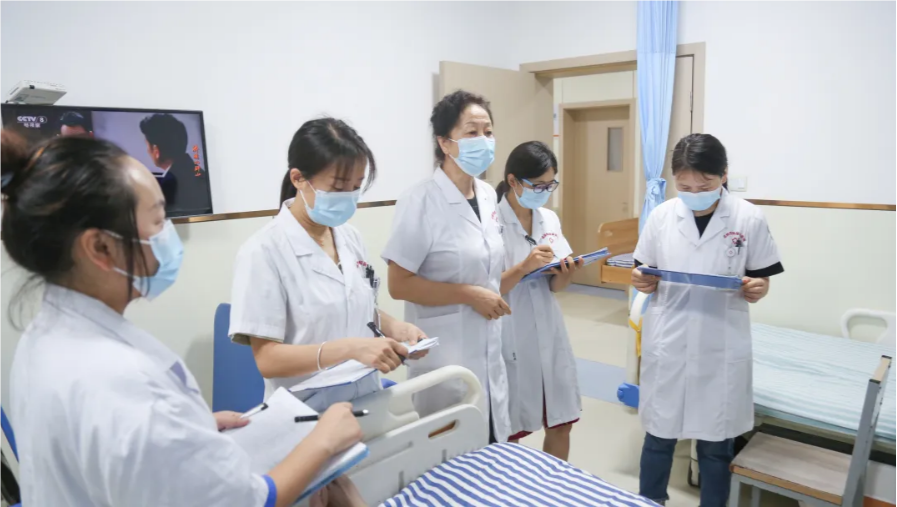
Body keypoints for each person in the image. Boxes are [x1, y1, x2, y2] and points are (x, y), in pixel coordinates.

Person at [0, 130, 365, 507]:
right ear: (100, 246)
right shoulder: (123, 380)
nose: (168, 235)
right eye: (159, 220)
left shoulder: (45, 338)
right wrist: (323, 443)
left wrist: (186, 432)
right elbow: (242, 501)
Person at [229, 118, 426, 412]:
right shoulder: (263, 252)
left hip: (366, 401)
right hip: (306, 414)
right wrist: (350, 349)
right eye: (338, 186)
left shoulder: (349, 237)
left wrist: (395, 327)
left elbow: (354, 305)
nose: (348, 196)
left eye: (356, 187)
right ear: (298, 179)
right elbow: (268, 360)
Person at [631, 133, 784, 507]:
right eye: (685, 187)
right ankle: (650, 501)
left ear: (724, 175)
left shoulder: (748, 217)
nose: (694, 193)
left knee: (716, 445)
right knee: (658, 436)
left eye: (705, 185)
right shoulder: (662, 216)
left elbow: (761, 277)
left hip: (720, 341)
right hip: (669, 338)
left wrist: (758, 287)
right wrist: (641, 279)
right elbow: (642, 269)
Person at [383, 90, 512, 443]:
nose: (483, 140)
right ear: (444, 142)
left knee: (491, 443)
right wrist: (469, 295)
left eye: (488, 132)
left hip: (489, 345)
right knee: (448, 450)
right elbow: (399, 284)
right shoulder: (420, 200)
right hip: (444, 352)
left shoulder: (488, 195)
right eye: (472, 132)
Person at [495, 141, 582, 460]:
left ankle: (554, 485)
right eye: (538, 185)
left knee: (561, 422)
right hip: (510, 330)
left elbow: (555, 286)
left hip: (549, 327)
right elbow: (485, 288)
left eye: (550, 185)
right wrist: (524, 267)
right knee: (510, 429)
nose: (545, 192)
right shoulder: (490, 223)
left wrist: (567, 272)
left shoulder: (548, 218)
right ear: (513, 181)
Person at [139, 113, 212, 216]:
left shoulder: (167, 186)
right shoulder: (198, 173)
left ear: (156, 150)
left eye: (147, 146)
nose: (147, 151)